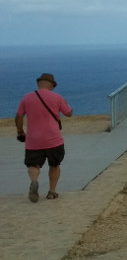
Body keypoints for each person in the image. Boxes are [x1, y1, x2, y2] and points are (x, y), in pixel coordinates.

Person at [15, 73, 73, 202]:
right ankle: (52, 192)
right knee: (55, 165)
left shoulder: (26, 98)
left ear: (39, 83)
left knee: (33, 165)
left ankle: (34, 181)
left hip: (34, 141)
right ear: (50, 85)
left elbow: (19, 116)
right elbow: (69, 113)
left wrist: (20, 132)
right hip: (54, 139)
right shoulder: (57, 97)